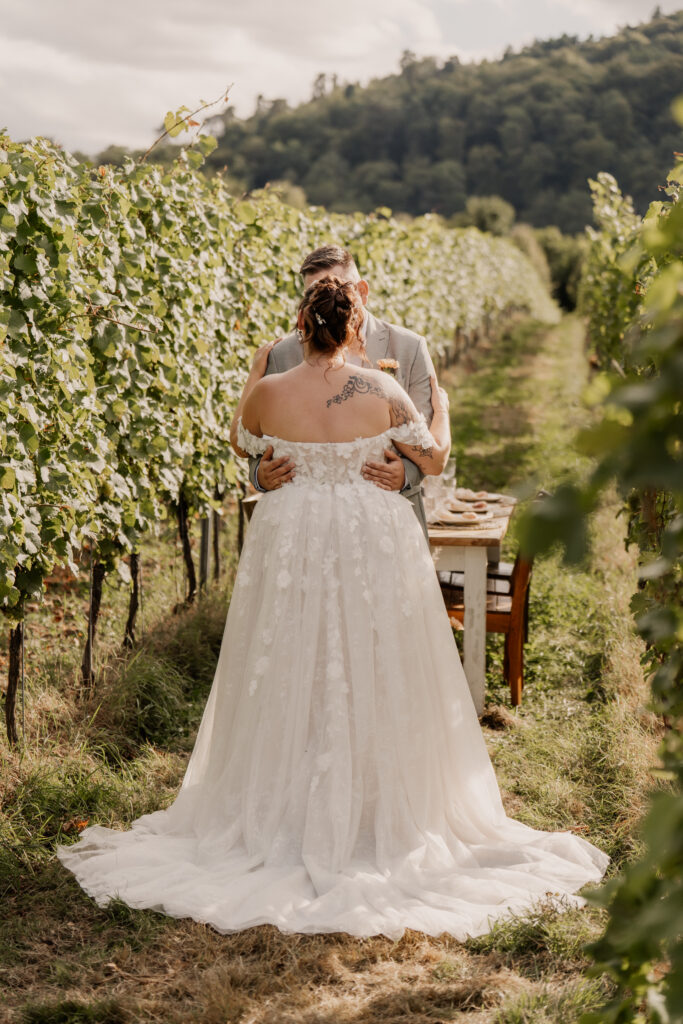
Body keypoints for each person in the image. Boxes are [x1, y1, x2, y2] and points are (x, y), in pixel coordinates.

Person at [57, 277, 610, 941]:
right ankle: (376, 804)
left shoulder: (268, 391)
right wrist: (445, 411)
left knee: (287, 656)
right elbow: (431, 461)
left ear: (300, 324)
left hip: (292, 534)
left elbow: (243, 441)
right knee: (375, 657)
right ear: (356, 326)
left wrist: (258, 378)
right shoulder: (379, 389)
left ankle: (283, 802)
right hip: (367, 535)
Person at [249, 244, 436, 539]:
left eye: (335, 291)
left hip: (390, 523)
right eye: (314, 295)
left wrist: (407, 475)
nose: (325, 301)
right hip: (303, 529)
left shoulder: (409, 347)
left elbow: (426, 434)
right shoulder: (282, 354)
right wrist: (259, 474)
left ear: (362, 291)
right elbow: (257, 439)